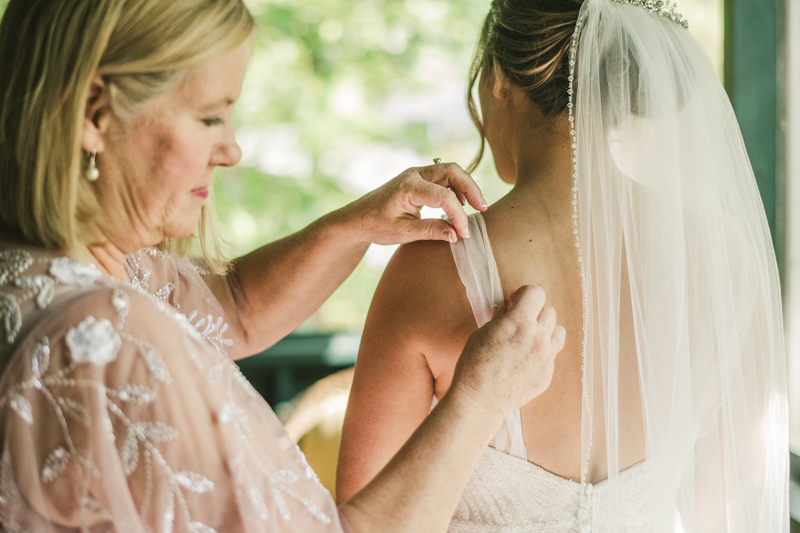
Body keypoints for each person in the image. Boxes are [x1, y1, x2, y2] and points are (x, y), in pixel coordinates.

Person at [0, 0, 568, 532]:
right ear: (96, 114)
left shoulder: (54, 272)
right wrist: (478, 400)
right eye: (209, 119)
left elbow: (236, 307)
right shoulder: (108, 340)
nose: (232, 150)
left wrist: (355, 226)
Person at [338, 0, 790, 531]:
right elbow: (729, 501)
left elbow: (360, 518)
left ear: (501, 78)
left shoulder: (431, 271)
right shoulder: (726, 261)